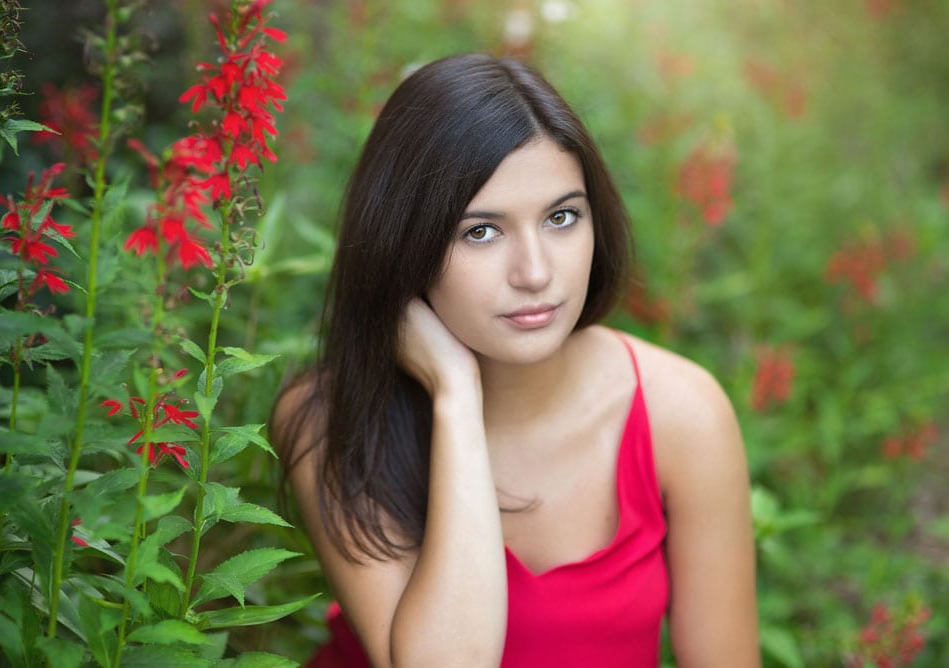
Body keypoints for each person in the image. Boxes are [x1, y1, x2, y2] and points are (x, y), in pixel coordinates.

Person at [271, 53, 759, 667]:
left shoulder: (681, 415)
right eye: (481, 231)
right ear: (405, 242)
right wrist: (454, 392)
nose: (535, 273)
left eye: (561, 217)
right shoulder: (328, 415)